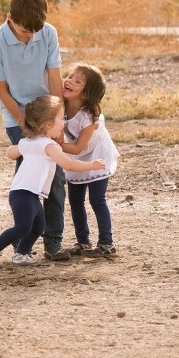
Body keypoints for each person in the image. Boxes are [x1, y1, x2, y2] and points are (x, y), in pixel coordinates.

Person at [0, 0, 71, 261]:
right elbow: (2, 90)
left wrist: (59, 119)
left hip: (48, 115)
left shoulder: (48, 33)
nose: (32, 36)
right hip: (18, 119)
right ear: (10, 17)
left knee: (54, 177)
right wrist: (27, 125)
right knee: (32, 177)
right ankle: (21, 242)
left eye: (36, 30)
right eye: (26, 31)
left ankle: (52, 242)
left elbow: (55, 78)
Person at [0, 95, 106, 268]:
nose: (63, 123)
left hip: (27, 194)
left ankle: (22, 253)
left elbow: (11, 152)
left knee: (39, 225)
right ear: (48, 124)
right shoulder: (49, 146)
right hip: (24, 193)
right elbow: (68, 164)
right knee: (23, 227)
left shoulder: (29, 141)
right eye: (61, 119)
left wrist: (17, 150)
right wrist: (91, 165)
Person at [61, 63, 120, 257]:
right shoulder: (60, 105)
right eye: (69, 76)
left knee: (97, 198)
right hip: (77, 156)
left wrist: (53, 145)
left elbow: (78, 146)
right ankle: (83, 242)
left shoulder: (89, 117)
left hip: (97, 155)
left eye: (77, 81)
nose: (69, 81)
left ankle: (106, 243)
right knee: (75, 200)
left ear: (86, 94)